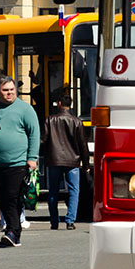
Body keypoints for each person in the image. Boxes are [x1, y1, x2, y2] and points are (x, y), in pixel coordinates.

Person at [0, 75, 39, 248]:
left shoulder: (25, 109)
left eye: (12, 90)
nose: (9, 93)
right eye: (5, 90)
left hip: (18, 162)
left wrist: (32, 158)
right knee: (3, 199)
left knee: (12, 197)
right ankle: (14, 233)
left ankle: (12, 232)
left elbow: (34, 133)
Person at [41, 93, 90, 230]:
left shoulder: (50, 120)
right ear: (70, 105)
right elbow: (83, 145)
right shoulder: (77, 121)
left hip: (54, 160)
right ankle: (70, 221)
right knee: (74, 191)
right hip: (72, 161)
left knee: (53, 191)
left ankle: (54, 221)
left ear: (60, 104)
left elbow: (43, 140)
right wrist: (85, 164)